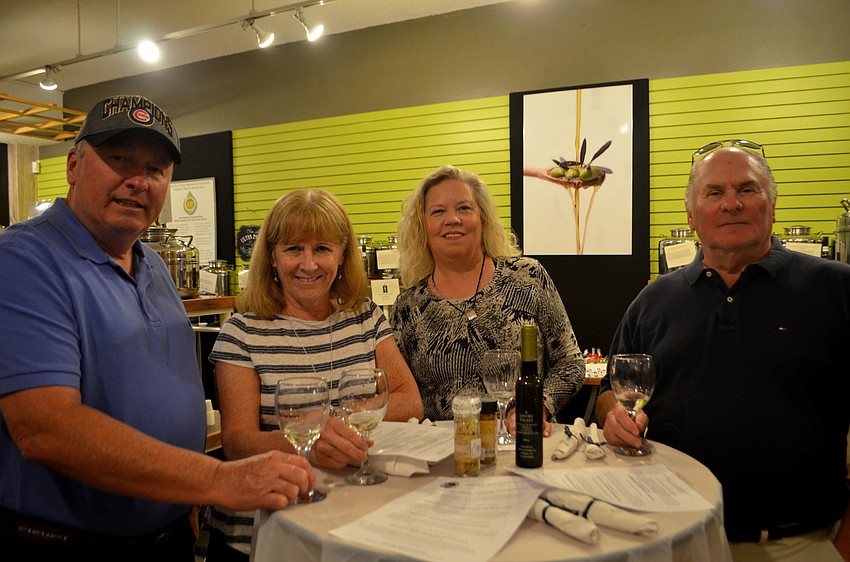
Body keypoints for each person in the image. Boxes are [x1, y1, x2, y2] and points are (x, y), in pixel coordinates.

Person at [0, 96, 314, 562]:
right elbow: (45, 427)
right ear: (72, 166)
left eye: (156, 168)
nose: (138, 180)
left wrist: (185, 503)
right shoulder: (23, 260)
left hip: (168, 536)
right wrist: (216, 479)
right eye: (119, 159)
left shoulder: (152, 264)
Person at [596, 140, 850, 561]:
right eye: (714, 192)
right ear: (691, 215)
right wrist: (613, 419)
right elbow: (610, 390)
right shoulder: (652, 302)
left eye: (747, 189)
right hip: (675, 536)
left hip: (801, 542)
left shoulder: (836, 289)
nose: (731, 203)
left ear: (772, 205)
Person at [205, 188, 423, 560]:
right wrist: (310, 439)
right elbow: (238, 442)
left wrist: (333, 423)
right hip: (266, 525)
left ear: (342, 255)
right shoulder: (242, 333)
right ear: (272, 257)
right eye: (294, 249)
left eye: (322, 249)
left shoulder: (365, 316)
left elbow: (409, 399)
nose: (309, 265)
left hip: (352, 514)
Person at [390, 164, 585, 430]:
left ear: (482, 219)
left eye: (464, 208)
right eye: (438, 211)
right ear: (422, 226)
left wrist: (537, 405)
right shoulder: (407, 307)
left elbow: (570, 363)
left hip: (521, 440)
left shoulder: (527, 278)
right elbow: (400, 394)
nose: (452, 219)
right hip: (444, 449)